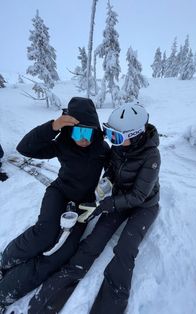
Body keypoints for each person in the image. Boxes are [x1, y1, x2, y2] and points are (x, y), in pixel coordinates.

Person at [28, 102, 161, 314]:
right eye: (109, 133)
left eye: (116, 136)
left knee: (125, 250)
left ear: (135, 134)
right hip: (118, 198)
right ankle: (47, 301)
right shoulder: (119, 147)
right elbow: (111, 169)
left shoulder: (152, 156)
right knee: (92, 243)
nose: (111, 140)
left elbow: (138, 195)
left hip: (144, 206)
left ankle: (110, 306)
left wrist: (105, 205)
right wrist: (105, 184)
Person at [0, 97, 109, 313]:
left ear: (95, 130)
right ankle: (6, 260)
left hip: (82, 206)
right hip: (59, 193)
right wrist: (52, 126)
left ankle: (6, 291)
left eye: (87, 132)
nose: (83, 138)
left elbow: (117, 171)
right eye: (77, 132)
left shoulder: (102, 149)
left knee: (61, 253)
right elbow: (25, 148)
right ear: (69, 130)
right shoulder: (63, 143)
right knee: (45, 233)